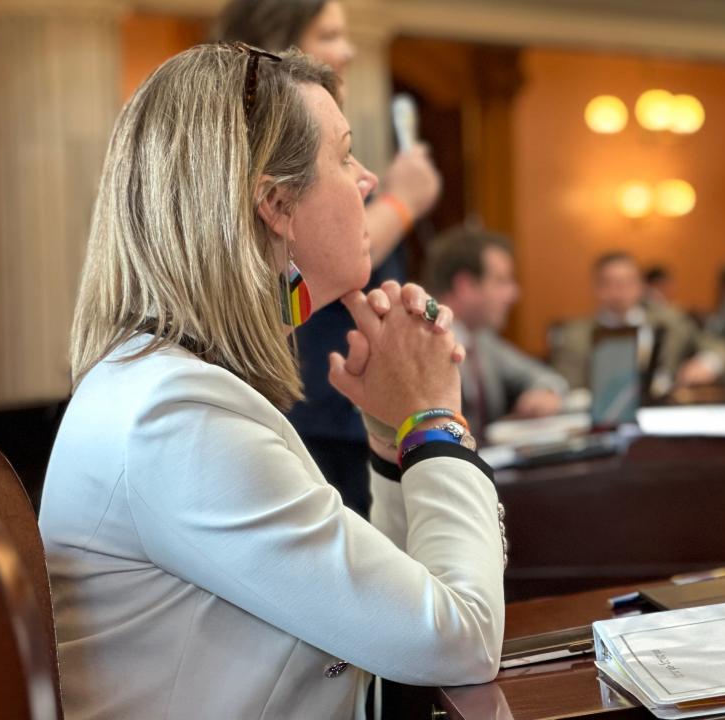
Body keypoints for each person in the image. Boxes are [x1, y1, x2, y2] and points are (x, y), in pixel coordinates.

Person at [38, 45, 504, 720]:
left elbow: (397, 618)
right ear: (277, 204)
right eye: (343, 156)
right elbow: (460, 641)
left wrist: (394, 436)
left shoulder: (165, 385)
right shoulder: (178, 419)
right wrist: (436, 423)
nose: (368, 179)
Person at [215, 0, 442, 518]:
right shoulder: (247, 143)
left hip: (346, 397)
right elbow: (312, 260)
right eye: (330, 34)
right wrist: (402, 203)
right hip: (306, 398)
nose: (348, 50)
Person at [424, 225, 567, 437]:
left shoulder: (482, 340)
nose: (514, 294)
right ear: (465, 286)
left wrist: (544, 392)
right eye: (502, 281)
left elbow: (545, 377)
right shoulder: (421, 343)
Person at [551, 251, 725, 395]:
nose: (619, 292)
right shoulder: (574, 335)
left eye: (627, 283)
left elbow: (721, 348)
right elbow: (566, 388)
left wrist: (707, 363)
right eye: (610, 284)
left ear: (640, 286)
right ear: (597, 289)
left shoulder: (670, 322)